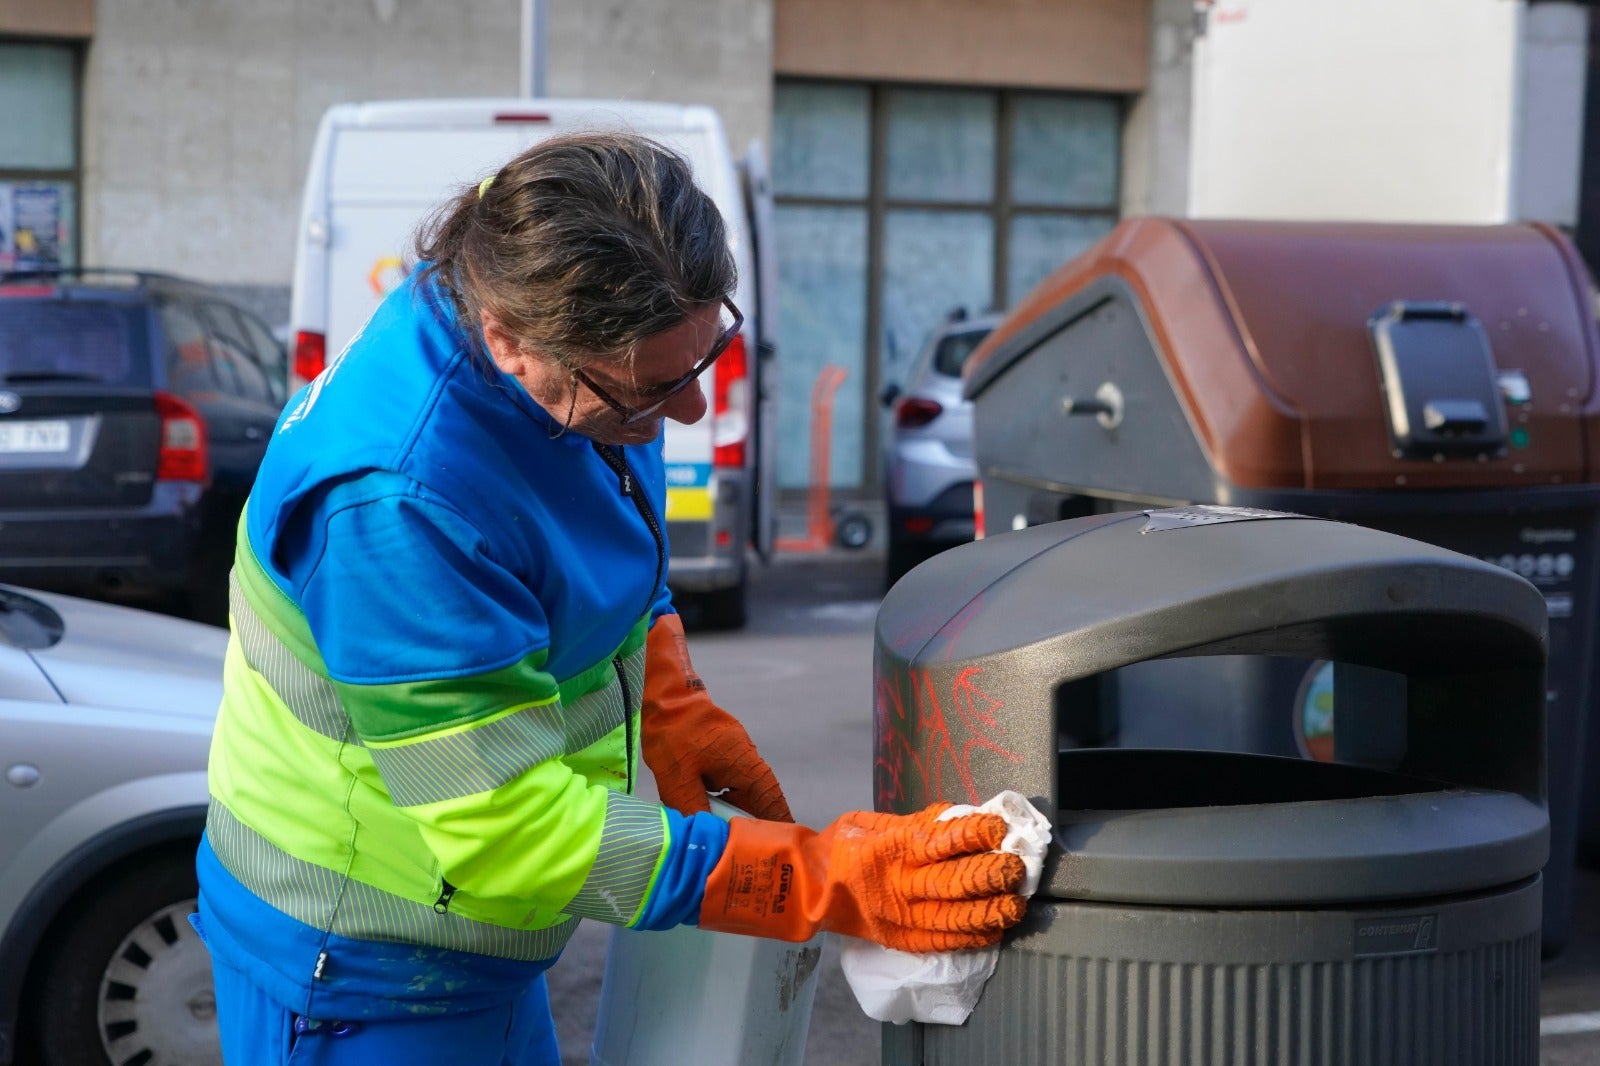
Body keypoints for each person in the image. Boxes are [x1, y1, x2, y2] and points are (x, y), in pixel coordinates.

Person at [194, 132, 1027, 1064]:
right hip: (357, 970)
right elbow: (503, 830)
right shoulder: (396, 504)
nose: (687, 417)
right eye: (648, 395)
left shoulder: (542, 296)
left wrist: (665, 687)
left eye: (702, 361)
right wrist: (821, 879)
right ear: (510, 342)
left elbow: (597, 531)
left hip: (477, 947)